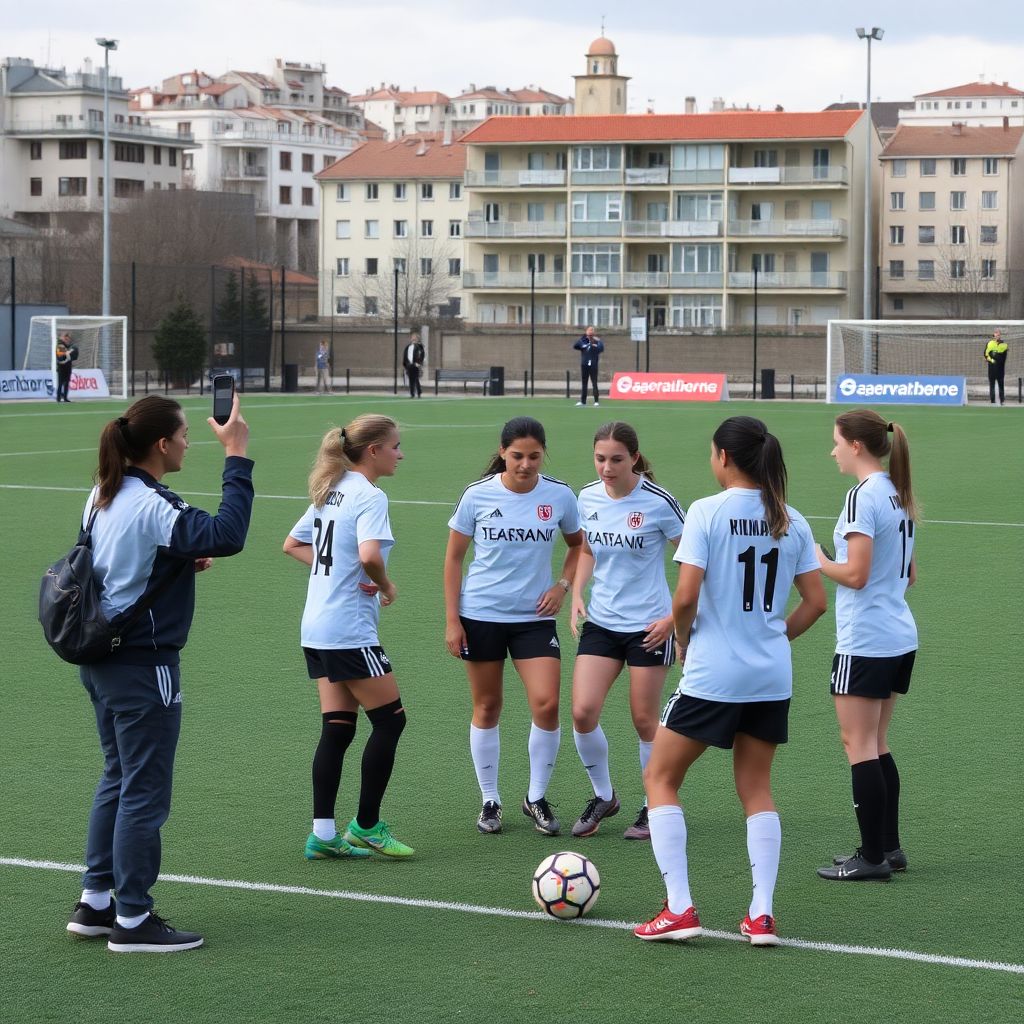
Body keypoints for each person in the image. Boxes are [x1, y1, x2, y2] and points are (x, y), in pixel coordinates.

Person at [67, 393, 253, 953]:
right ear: (161, 444)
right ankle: (132, 921)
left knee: (118, 778)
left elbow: (118, 563)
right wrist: (237, 456)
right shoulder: (150, 504)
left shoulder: (102, 493)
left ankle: (96, 902)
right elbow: (228, 534)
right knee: (144, 791)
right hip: (143, 666)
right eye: (184, 435)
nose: (189, 442)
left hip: (101, 659)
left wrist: (175, 559)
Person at [634, 416, 826, 947]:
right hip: (770, 676)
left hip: (714, 675)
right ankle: (761, 915)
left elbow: (686, 596)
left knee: (661, 779)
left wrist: (683, 640)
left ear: (722, 457)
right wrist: (772, 639)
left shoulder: (706, 511)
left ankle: (679, 909)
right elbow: (816, 602)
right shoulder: (790, 518)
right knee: (757, 789)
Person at [444, 417, 583, 835]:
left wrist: (562, 586)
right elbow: (454, 559)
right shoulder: (477, 494)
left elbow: (578, 546)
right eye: (517, 455)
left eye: (534, 456)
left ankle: (535, 797)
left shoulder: (559, 495)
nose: (525, 464)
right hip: (481, 615)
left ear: (544, 454)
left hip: (533, 620)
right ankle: (490, 800)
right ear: (503, 452)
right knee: (487, 707)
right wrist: (453, 619)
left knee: (546, 704)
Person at [284, 415, 414, 861]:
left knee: (338, 729)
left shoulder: (331, 489)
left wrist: (341, 572)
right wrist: (385, 584)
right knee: (391, 720)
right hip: (348, 630)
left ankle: (322, 833)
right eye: (395, 446)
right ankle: (367, 826)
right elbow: (369, 554)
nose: (400, 454)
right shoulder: (368, 495)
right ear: (373, 450)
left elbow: (292, 544)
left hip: (316, 627)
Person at [814, 410, 919, 883]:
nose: (832, 450)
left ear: (856, 445)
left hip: (866, 639)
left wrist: (817, 559)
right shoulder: (898, 493)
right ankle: (887, 848)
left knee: (858, 744)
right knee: (876, 743)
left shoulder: (863, 495)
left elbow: (855, 574)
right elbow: (909, 574)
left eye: (836, 442)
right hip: (898, 634)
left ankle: (872, 858)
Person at [569, 422, 685, 840]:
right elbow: (586, 549)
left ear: (634, 458)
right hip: (601, 621)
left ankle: (655, 804)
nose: (607, 467)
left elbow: (694, 561)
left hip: (649, 626)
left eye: (616, 459)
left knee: (643, 720)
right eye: (600, 458)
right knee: (582, 712)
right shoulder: (587, 496)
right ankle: (604, 795)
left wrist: (674, 618)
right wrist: (578, 591)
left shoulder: (658, 501)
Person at [573, 325, 604, 407]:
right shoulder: (583, 341)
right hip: (584, 364)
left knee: (594, 382)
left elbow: (601, 348)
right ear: (586, 332)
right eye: (589, 330)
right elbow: (575, 345)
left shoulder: (597, 341)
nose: (590, 332)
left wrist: (596, 343)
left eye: (592, 330)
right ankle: (583, 401)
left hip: (593, 364)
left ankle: (596, 401)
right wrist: (584, 339)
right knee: (584, 383)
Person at [984, 328, 1008, 406]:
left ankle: (1002, 400)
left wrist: (994, 355)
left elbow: (1003, 358)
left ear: (1000, 335)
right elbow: (986, 354)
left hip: (1000, 369)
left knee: (1001, 384)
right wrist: (991, 360)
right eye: (995, 333)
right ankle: (992, 401)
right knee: (992, 385)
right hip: (991, 368)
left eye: (998, 333)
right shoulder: (989, 343)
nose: (997, 335)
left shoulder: (1004, 345)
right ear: (993, 335)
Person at [403, 333, 425, 399]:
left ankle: (417, 393)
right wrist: (406, 364)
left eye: (414, 337)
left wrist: (419, 363)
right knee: (411, 379)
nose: (412, 338)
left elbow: (421, 355)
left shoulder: (419, 346)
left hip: (415, 364)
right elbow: (405, 355)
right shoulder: (408, 346)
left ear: (417, 338)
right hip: (409, 364)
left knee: (415, 379)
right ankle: (413, 393)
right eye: (412, 337)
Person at [55, 333, 75, 403]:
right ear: (63, 338)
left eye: (68, 339)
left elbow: (71, 356)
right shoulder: (60, 345)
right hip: (62, 367)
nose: (67, 340)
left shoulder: (69, 346)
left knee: (66, 383)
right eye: (66, 338)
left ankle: (65, 397)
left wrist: (72, 353)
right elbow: (61, 356)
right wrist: (68, 352)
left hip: (68, 367)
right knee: (60, 383)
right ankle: (58, 398)